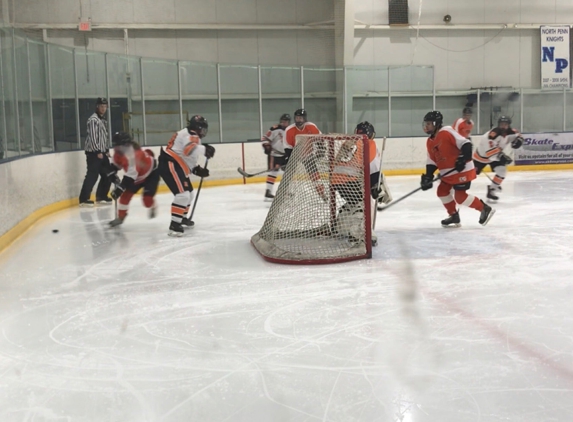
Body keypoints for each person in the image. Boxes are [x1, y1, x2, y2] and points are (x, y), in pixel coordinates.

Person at [420, 110, 495, 228]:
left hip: (462, 170)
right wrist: (428, 176)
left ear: (436, 123)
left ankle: (484, 208)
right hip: (448, 174)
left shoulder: (446, 131)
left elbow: (465, 144)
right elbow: (432, 161)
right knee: (442, 192)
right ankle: (454, 215)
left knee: (460, 197)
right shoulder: (429, 141)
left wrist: (462, 159)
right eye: (426, 124)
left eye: (429, 123)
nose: (426, 126)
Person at [331, 122, 388, 246]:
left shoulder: (349, 142)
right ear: (371, 134)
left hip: (336, 180)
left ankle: (341, 227)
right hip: (350, 179)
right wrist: (375, 186)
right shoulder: (369, 143)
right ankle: (361, 233)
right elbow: (373, 167)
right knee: (364, 203)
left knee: (353, 201)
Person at [158, 115, 215, 237]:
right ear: (197, 127)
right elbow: (188, 150)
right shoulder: (190, 134)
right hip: (170, 163)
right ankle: (174, 225)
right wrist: (205, 150)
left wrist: (195, 169)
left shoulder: (190, 135)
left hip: (176, 164)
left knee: (189, 194)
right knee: (183, 195)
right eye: (202, 128)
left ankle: (181, 218)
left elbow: (186, 156)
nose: (203, 131)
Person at [106, 132, 160, 227]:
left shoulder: (135, 155)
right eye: (115, 145)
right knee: (125, 196)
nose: (116, 148)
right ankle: (121, 217)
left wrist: (119, 189)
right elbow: (116, 166)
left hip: (151, 174)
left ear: (125, 144)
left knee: (147, 201)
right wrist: (111, 174)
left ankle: (152, 205)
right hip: (136, 177)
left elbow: (131, 175)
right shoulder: (119, 153)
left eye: (118, 145)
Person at [473, 115, 523, 201]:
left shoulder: (510, 132)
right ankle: (453, 184)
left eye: (505, 124)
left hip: (496, 155)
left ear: (508, 125)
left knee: (502, 171)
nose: (503, 126)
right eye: (501, 124)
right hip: (481, 157)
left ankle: (492, 190)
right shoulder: (492, 135)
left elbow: (518, 135)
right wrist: (501, 157)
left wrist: (519, 140)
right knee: (470, 175)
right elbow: (490, 155)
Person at [78, 97, 112, 207]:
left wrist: (106, 150)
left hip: (101, 152)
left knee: (108, 174)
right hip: (94, 153)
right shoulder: (93, 120)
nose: (103, 108)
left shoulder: (103, 120)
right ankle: (83, 199)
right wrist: (97, 151)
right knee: (92, 175)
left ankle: (101, 196)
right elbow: (93, 137)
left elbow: (103, 137)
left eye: (105, 106)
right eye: (101, 106)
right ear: (97, 107)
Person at [261, 113, 291, 200]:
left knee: (288, 173)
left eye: (286, 121)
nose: (284, 123)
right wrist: (266, 146)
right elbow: (265, 138)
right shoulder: (274, 129)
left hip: (285, 155)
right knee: (273, 173)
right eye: (283, 121)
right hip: (275, 155)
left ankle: (285, 191)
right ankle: (268, 191)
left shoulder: (290, 130)